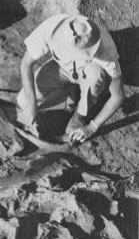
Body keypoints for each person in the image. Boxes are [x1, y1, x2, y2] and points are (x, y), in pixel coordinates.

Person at [17, 13, 125, 143]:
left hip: (88, 71)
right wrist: (32, 106)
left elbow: (118, 96)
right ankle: (70, 96)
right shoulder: (51, 29)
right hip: (61, 67)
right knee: (23, 101)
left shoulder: (105, 48)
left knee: (95, 73)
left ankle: (80, 114)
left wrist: (92, 127)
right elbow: (26, 64)